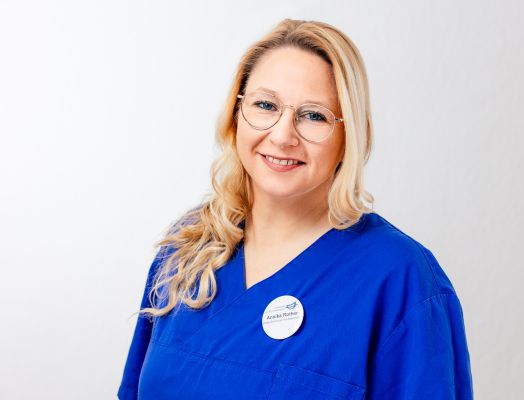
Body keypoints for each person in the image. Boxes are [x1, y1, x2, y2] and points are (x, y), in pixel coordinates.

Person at [118, 18, 473, 400]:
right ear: (236, 114)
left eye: (314, 115)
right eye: (265, 105)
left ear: (351, 135)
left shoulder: (399, 278)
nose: (283, 135)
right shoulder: (189, 248)